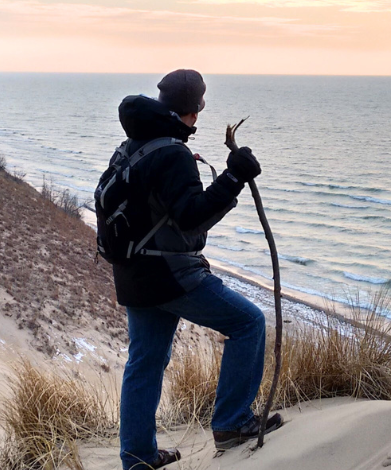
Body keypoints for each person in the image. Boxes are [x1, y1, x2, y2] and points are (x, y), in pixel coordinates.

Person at [111, 69, 282, 470]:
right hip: (168, 274)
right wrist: (234, 176)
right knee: (249, 323)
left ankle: (137, 457)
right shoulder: (172, 152)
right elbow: (191, 217)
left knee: (145, 361)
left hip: (132, 273)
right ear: (193, 110)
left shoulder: (133, 144)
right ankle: (232, 423)